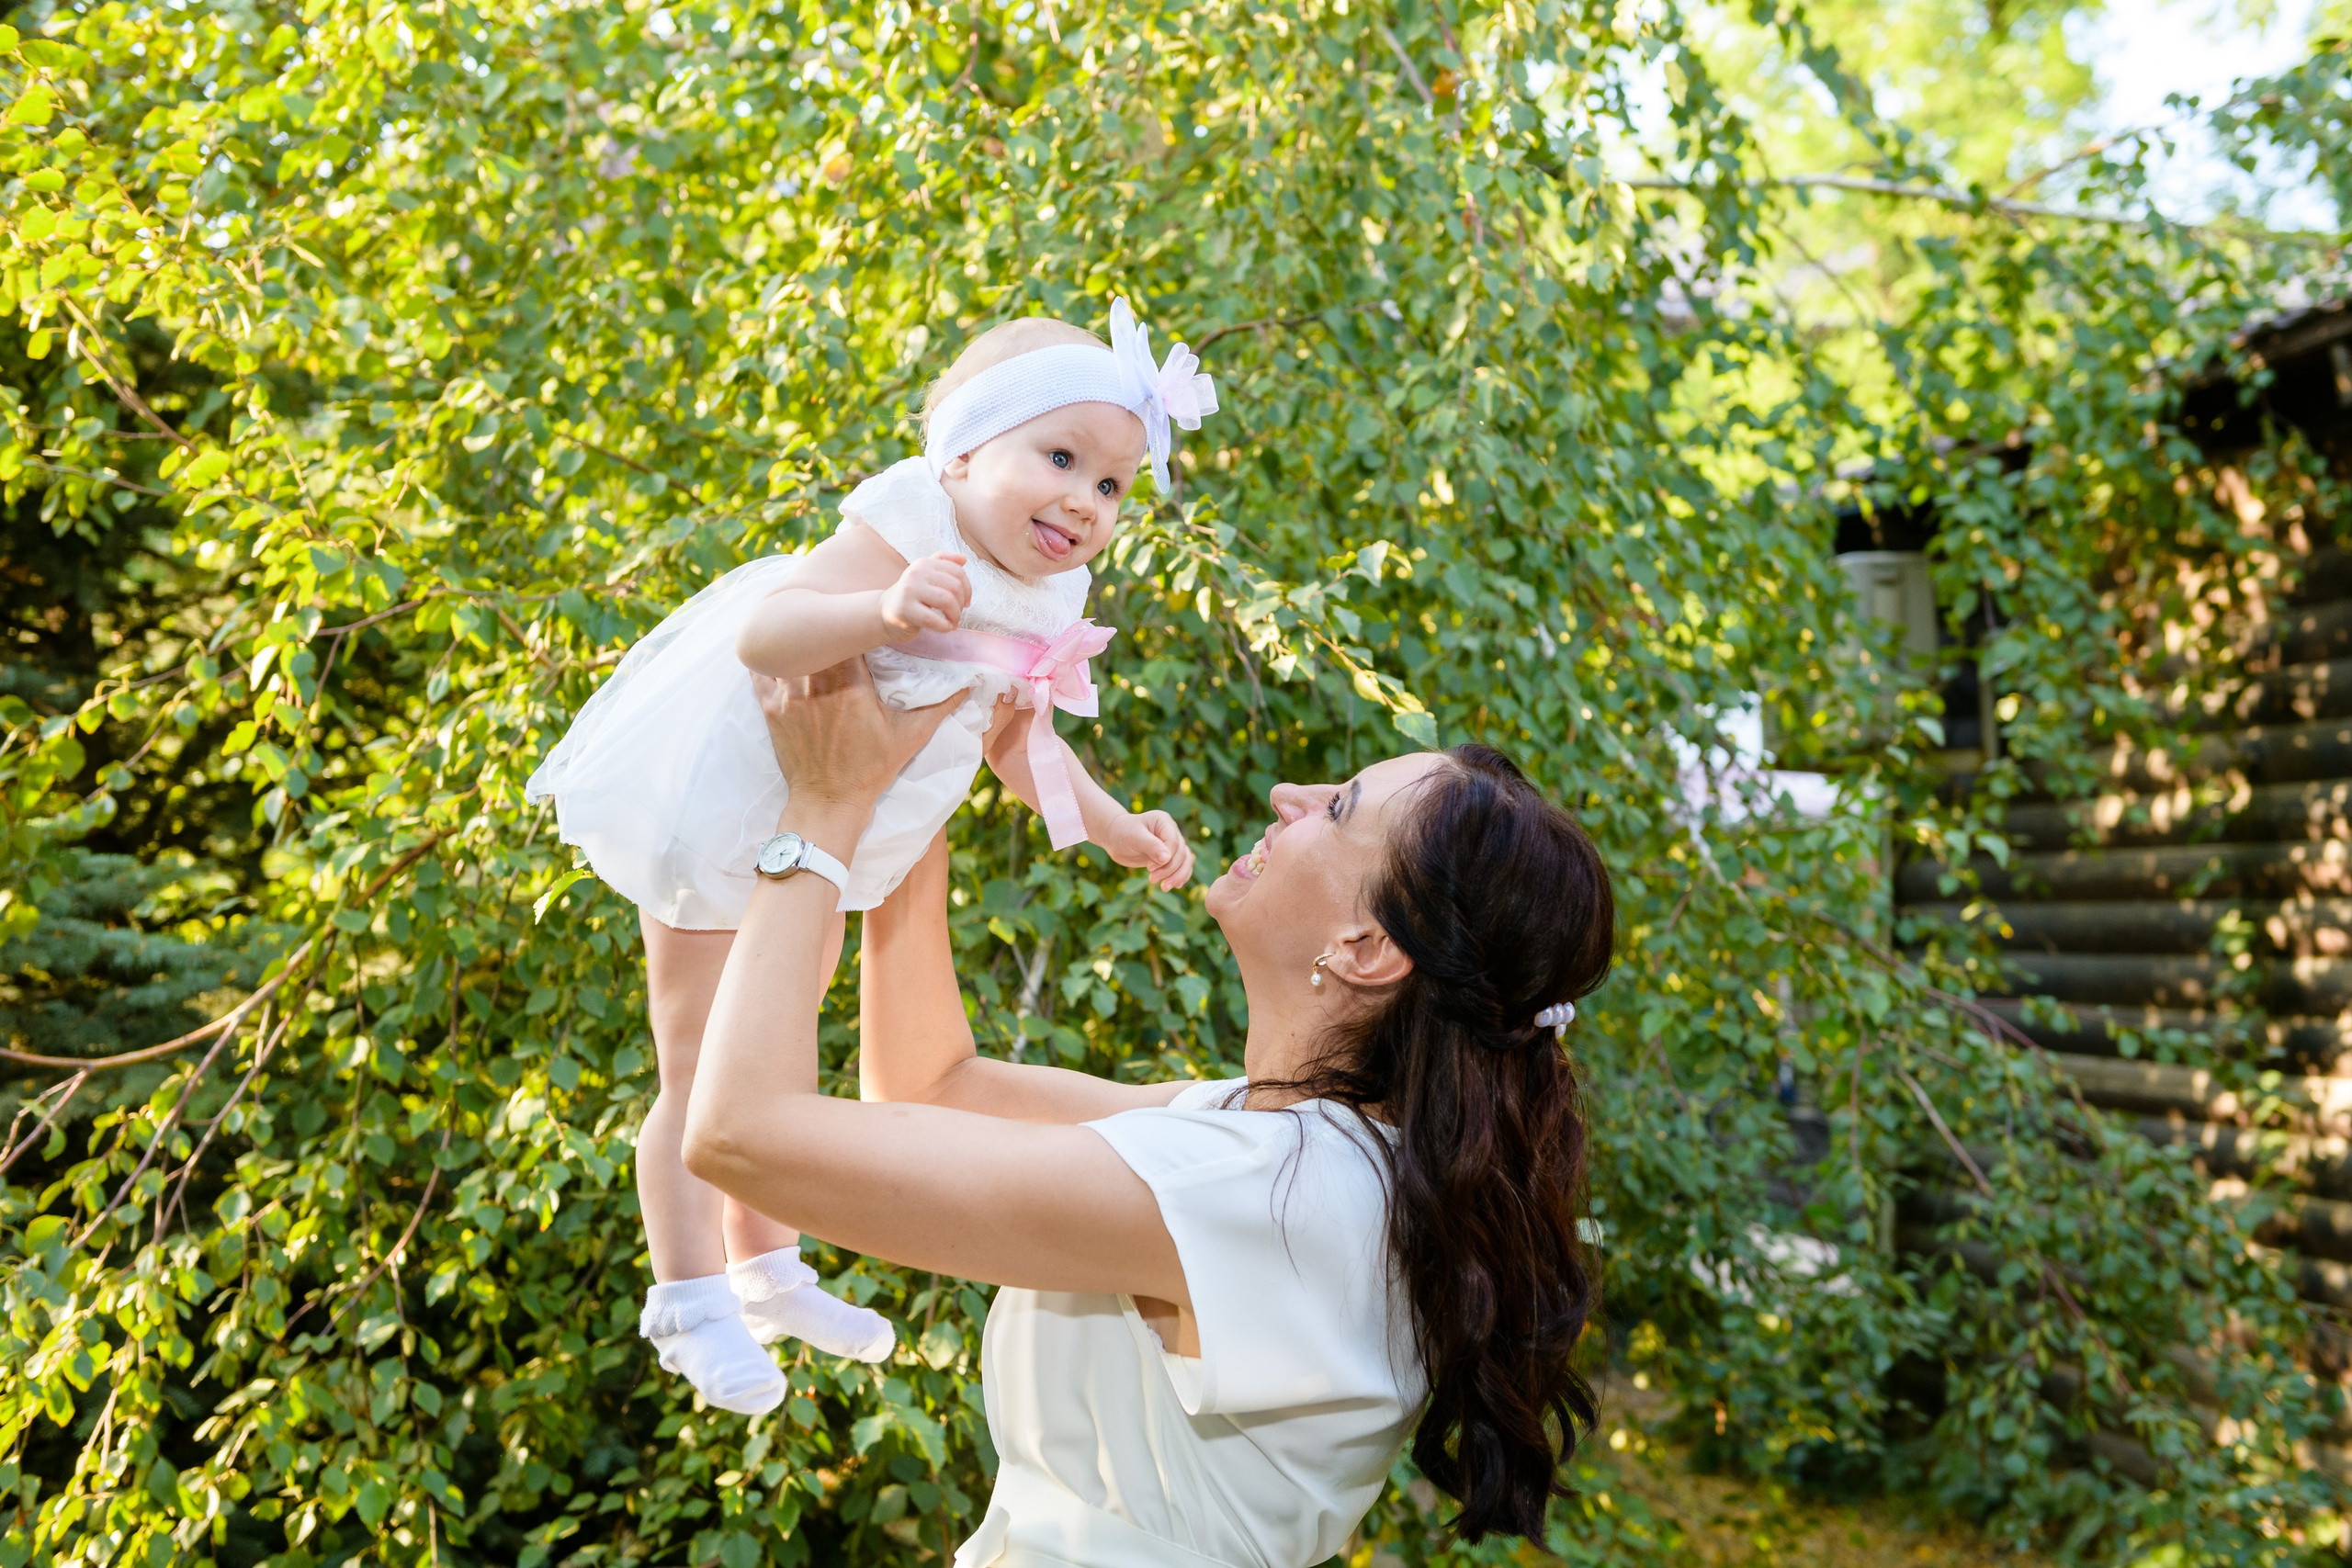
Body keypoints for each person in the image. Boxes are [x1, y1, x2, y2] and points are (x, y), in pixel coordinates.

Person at [682, 656, 1616, 1566]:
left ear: (1366, 947)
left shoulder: (1274, 1190)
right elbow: (932, 1087)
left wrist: (825, 810)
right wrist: (915, 771)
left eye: (1336, 810)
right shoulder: (1275, 1140)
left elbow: (741, 1135)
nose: (1288, 794)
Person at [524, 299, 1213, 1412]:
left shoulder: (1052, 590)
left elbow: (1016, 729)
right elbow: (768, 634)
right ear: (961, 453)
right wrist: (880, 609)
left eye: (1111, 487)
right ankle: (688, 1298)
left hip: (839, 839)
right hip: (732, 803)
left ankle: (770, 1271)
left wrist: (1115, 823)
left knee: (778, 1048)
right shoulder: (909, 518)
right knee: (699, 1060)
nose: (1083, 503)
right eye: (1060, 458)